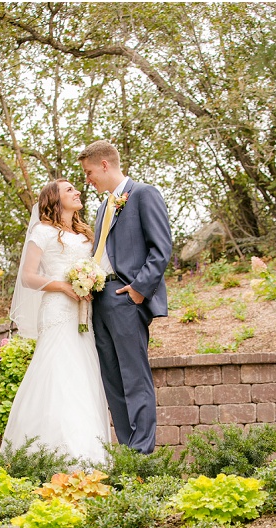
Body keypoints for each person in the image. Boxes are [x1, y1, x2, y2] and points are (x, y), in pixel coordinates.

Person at [2, 179, 112, 467]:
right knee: (57, 377)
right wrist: (64, 286)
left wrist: (92, 280)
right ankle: (48, 455)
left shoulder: (86, 233)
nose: (77, 192)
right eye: (69, 190)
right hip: (57, 311)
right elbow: (28, 276)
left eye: (76, 189)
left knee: (83, 379)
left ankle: (89, 457)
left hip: (84, 314)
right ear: (54, 199)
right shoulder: (42, 232)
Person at [79, 140, 173, 454]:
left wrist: (137, 290)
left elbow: (161, 250)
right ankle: (128, 452)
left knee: (134, 377)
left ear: (105, 164)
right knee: (113, 380)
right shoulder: (103, 206)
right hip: (100, 299)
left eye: (89, 172)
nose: (87, 180)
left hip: (125, 296)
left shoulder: (145, 194)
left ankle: (143, 454)